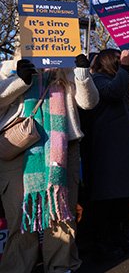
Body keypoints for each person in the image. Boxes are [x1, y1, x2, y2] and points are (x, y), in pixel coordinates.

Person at [0, 54, 99, 273]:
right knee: (21, 218)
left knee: (61, 214)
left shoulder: (67, 69)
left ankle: (61, 267)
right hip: (20, 151)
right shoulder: (9, 67)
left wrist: (82, 73)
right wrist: (20, 80)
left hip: (64, 149)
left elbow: (89, 103)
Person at [85, 49, 129, 257]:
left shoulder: (120, 83)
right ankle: (104, 242)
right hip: (108, 154)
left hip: (124, 151)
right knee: (108, 202)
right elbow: (112, 92)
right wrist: (126, 68)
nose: (123, 62)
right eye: (119, 59)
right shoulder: (97, 80)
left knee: (121, 201)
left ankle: (119, 237)